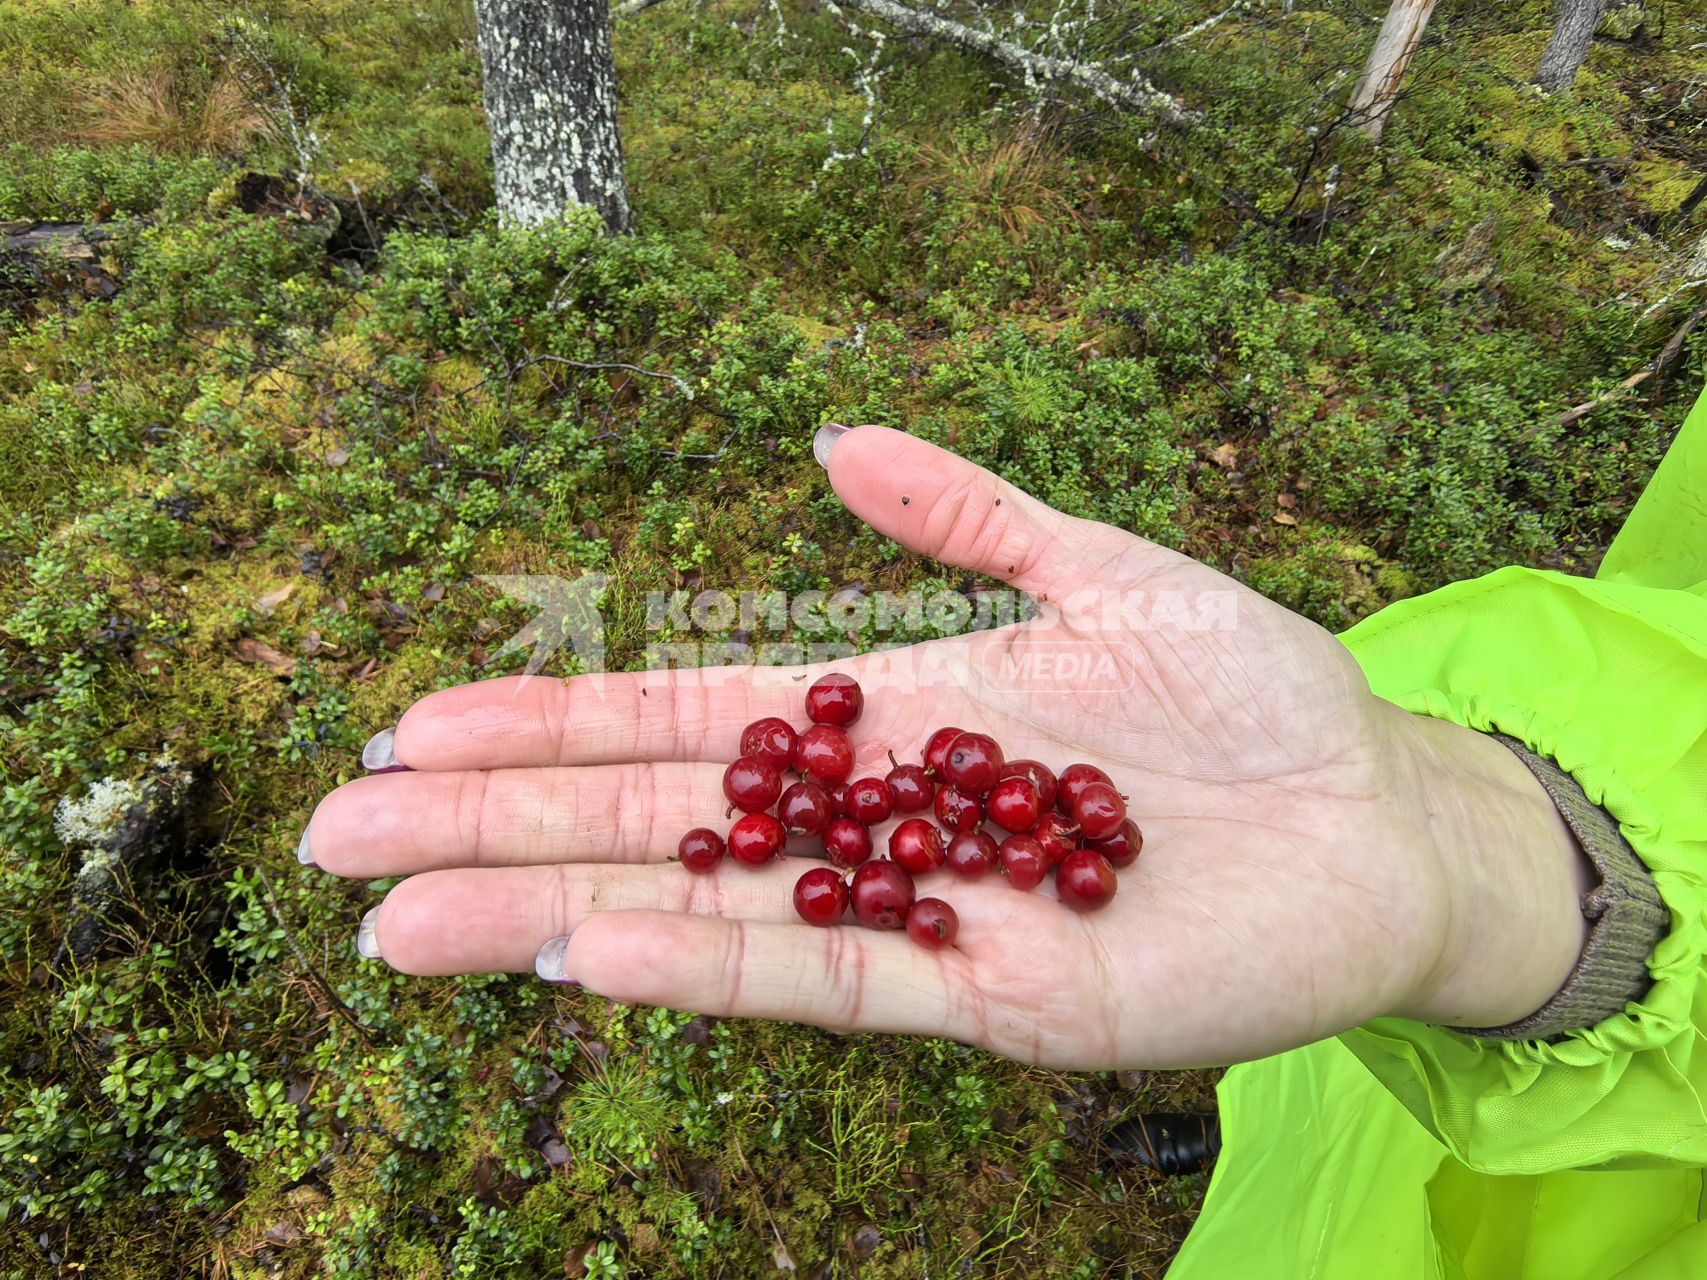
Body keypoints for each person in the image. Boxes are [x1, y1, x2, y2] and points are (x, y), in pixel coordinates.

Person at [300, 387, 1707, 1278]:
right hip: (1411, 972)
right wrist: (1497, 848)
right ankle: (1242, 1134)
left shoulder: (1013, 827)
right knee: (1306, 1134)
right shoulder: (959, 814)